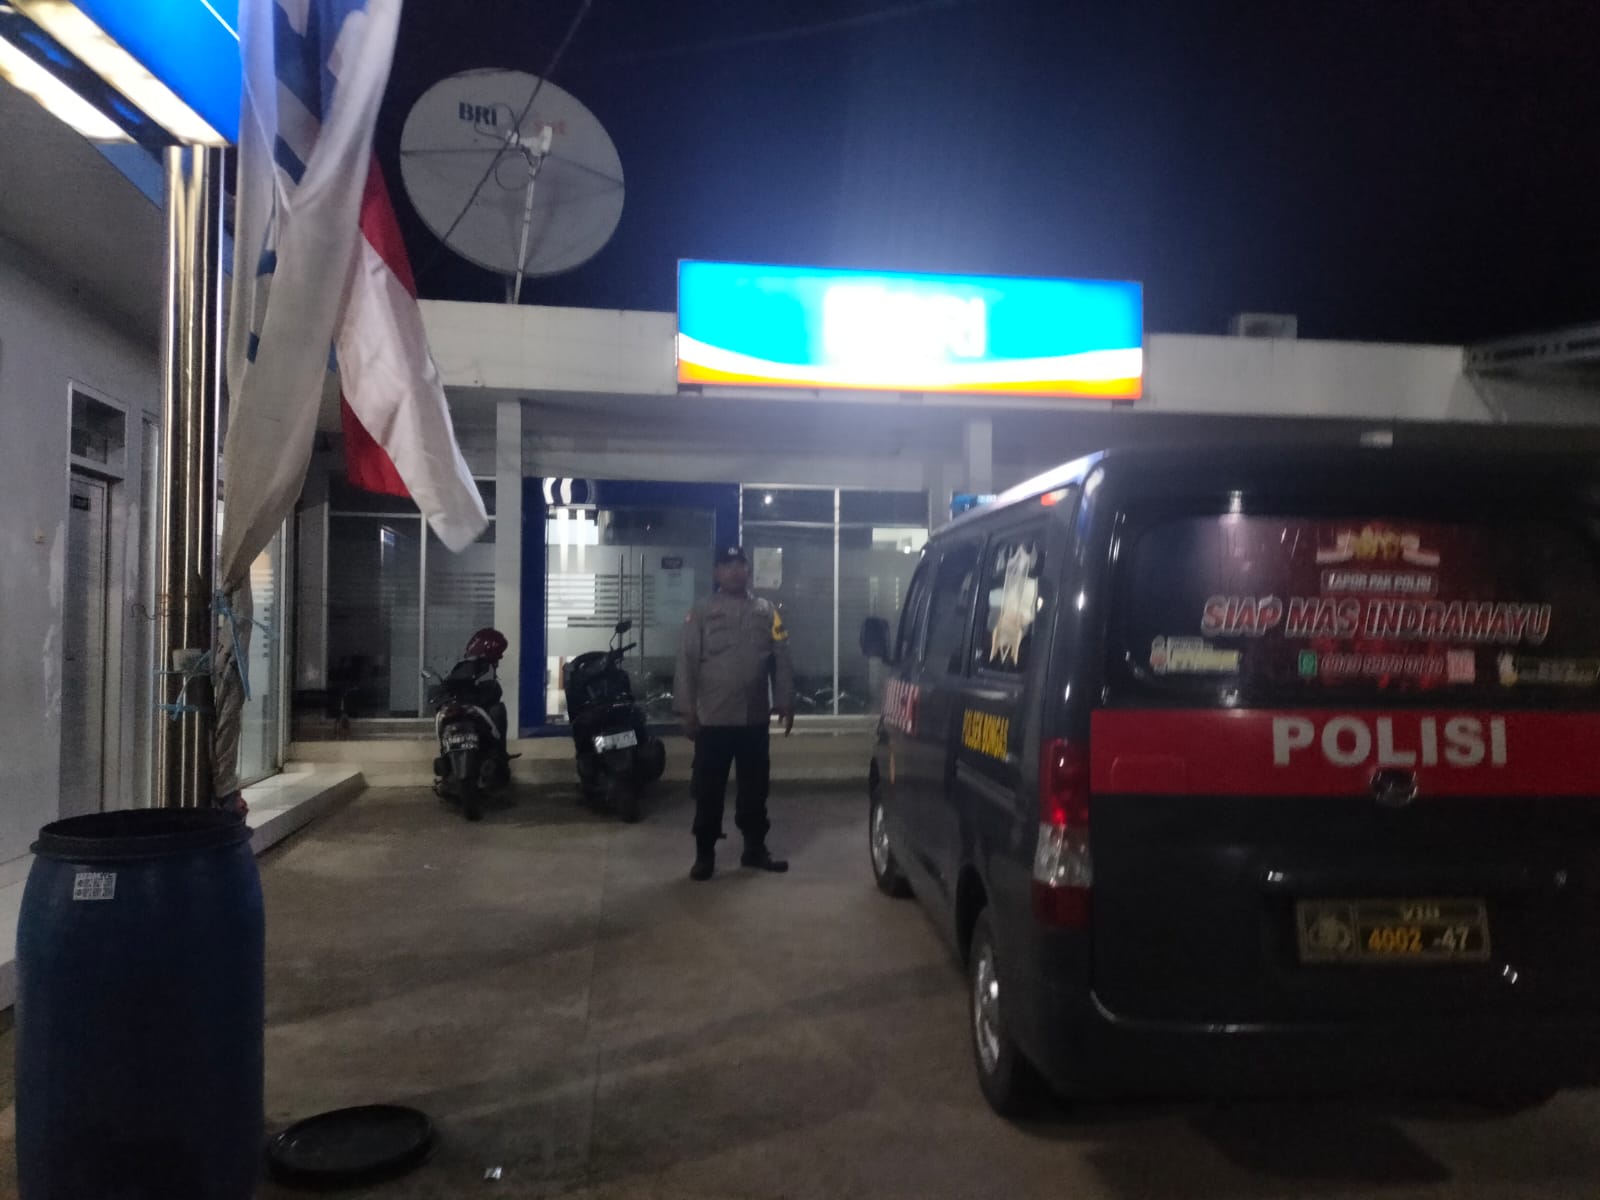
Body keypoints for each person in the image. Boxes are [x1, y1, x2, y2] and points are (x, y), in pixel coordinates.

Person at [673, 546, 795, 881]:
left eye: (740, 564)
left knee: (755, 789)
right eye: (727, 565)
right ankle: (705, 855)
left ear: (748, 571)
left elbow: (782, 657)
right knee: (708, 790)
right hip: (713, 720)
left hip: (753, 719)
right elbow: (686, 661)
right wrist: (687, 711)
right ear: (716, 572)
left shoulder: (768, 612)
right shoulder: (700, 612)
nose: (735, 571)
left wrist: (785, 700)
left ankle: (754, 849)